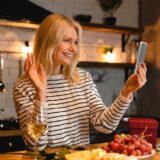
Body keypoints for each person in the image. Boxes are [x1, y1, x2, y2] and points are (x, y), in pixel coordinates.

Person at [13, 13, 147, 151]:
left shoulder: (83, 78)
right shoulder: (23, 86)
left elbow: (105, 125)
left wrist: (127, 91)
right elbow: (36, 145)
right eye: (66, 40)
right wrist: (40, 94)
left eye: (76, 42)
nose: (73, 48)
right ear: (48, 41)